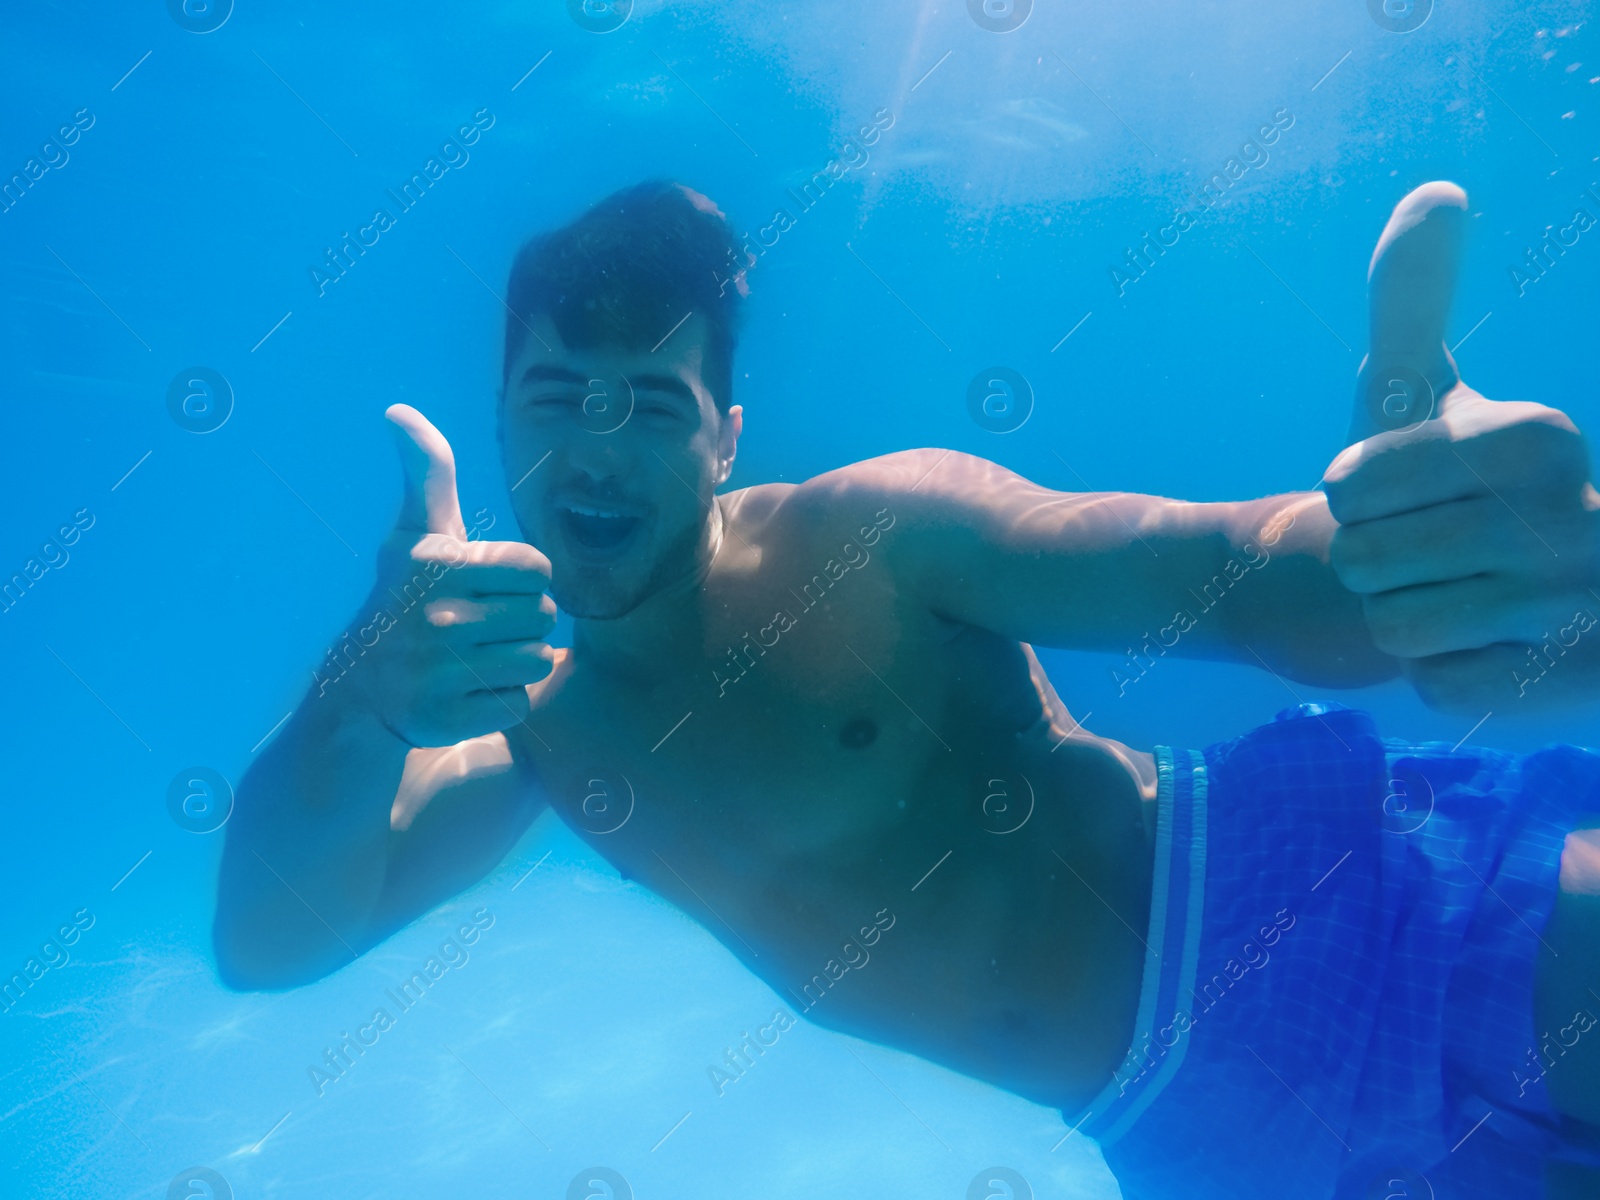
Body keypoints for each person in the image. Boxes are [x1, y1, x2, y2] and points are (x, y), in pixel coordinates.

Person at [212, 178, 1600, 1198]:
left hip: (1358, 912)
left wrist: (1408, 552)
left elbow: (1225, 570)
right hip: (1203, 1143)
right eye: (558, 398)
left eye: (651, 406)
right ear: (504, 416)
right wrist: (358, 696)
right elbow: (271, 945)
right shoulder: (539, 723)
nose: (595, 452)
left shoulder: (869, 540)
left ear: (726, 437)